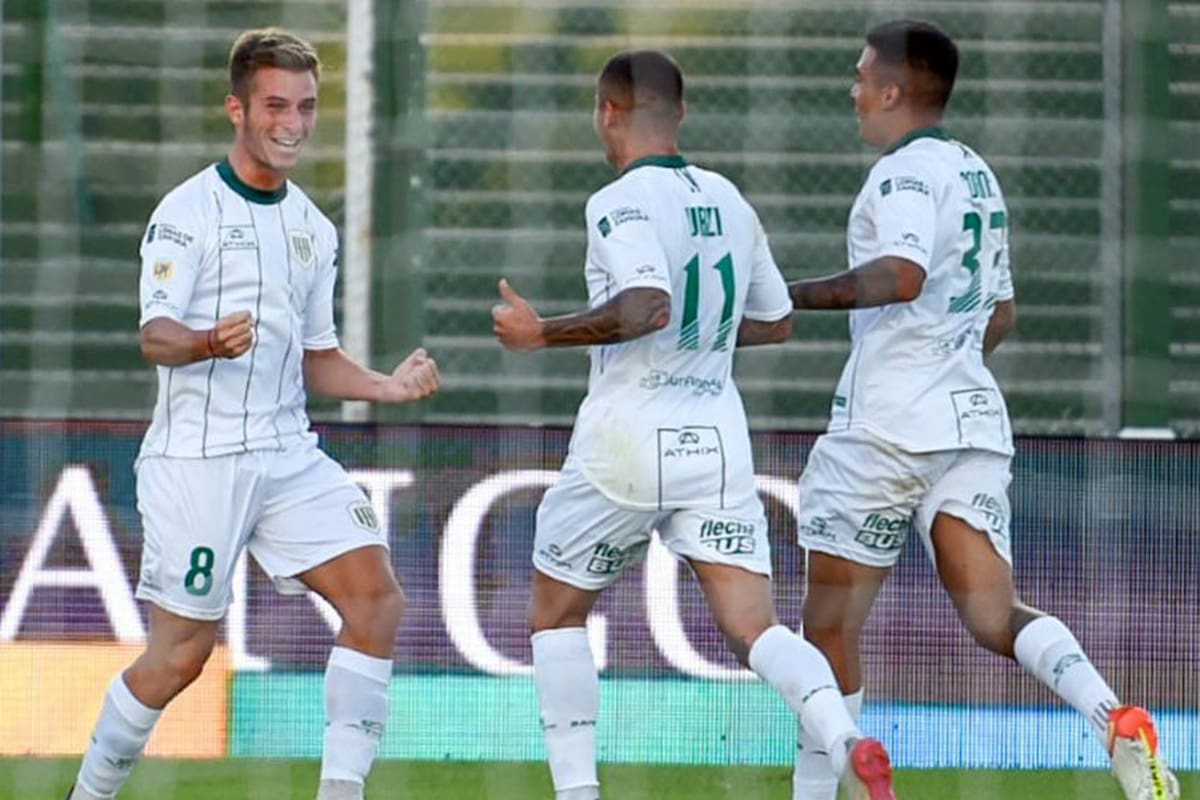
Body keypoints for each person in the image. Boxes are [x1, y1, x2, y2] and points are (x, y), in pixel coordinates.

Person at [785, 19, 1179, 800]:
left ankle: (824, 788)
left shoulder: (899, 177)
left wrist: (783, 296)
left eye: (862, 75)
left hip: (885, 427)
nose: (854, 89)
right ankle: (1113, 717)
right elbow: (1000, 312)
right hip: (968, 419)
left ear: (895, 90)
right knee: (995, 615)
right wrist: (948, 355)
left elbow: (898, 275)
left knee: (828, 629)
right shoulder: (975, 172)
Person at [492, 50, 898, 800]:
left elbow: (646, 304)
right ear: (680, 114)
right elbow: (775, 324)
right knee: (758, 629)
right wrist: (704, 336)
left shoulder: (617, 201)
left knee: (555, 610)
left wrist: (539, 333)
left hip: (627, 434)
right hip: (715, 438)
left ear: (606, 111)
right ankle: (846, 739)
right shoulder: (730, 200)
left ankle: (578, 793)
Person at [66, 28, 440, 800]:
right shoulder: (186, 213)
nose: (294, 123)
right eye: (276, 105)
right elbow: (154, 335)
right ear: (236, 108)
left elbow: (318, 357)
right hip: (198, 461)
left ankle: (342, 792)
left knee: (376, 600)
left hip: (286, 454)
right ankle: (89, 794)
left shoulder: (313, 227)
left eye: (306, 106)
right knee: (179, 656)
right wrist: (205, 341)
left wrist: (387, 387)